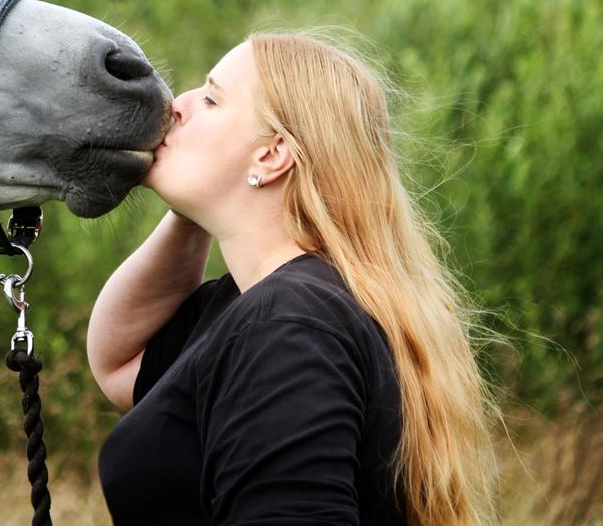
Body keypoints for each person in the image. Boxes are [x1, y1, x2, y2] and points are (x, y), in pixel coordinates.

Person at [88, 32, 498, 525]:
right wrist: (190, 212)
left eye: (212, 97)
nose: (177, 105)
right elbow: (120, 367)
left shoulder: (288, 325)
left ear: (271, 154)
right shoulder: (260, 304)